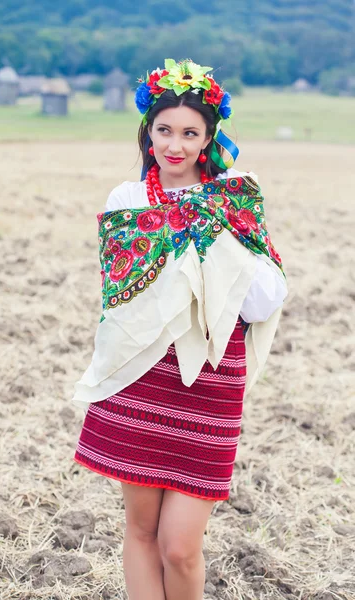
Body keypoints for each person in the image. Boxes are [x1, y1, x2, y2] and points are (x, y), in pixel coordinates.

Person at [72, 58, 288, 600]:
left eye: (190, 133)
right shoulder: (127, 202)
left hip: (209, 381)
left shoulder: (232, 199)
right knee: (142, 532)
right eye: (164, 130)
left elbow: (263, 301)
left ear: (209, 136)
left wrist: (210, 228)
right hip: (140, 375)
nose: (175, 145)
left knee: (180, 548)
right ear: (148, 132)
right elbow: (120, 300)